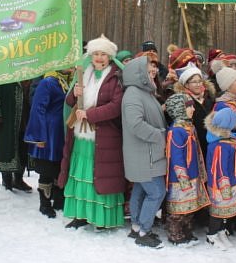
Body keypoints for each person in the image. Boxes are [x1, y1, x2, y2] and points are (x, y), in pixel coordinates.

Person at [58, 35, 125, 231]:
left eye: (103, 54)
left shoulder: (115, 76)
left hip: (104, 138)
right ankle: (81, 215)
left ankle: (102, 218)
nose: (99, 58)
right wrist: (74, 94)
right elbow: (69, 102)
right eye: (96, 53)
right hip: (81, 136)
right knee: (81, 175)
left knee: (102, 176)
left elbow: (116, 106)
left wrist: (90, 114)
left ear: (110, 56)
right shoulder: (83, 72)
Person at [122, 55, 168, 248]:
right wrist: (160, 135)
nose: (154, 72)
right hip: (145, 154)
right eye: (149, 69)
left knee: (140, 190)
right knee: (157, 192)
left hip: (146, 154)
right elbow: (135, 124)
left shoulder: (144, 92)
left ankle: (135, 227)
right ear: (138, 73)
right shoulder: (133, 94)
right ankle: (144, 231)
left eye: (154, 69)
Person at [24, 68, 73, 218]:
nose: (69, 66)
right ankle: (44, 203)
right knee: (46, 169)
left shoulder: (72, 82)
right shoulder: (48, 82)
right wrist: (38, 135)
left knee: (60, 166)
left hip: (64, 130)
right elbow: (38, 108)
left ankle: (58, 199)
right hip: (49, 132)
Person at [163, 93, 209, 246]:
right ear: (179, 110)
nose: (192, 109)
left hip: (193, 173)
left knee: (190, 206)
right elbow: (176, 156)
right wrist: (182, 177)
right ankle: (176, 234)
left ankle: (187, 232)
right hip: (181, 178)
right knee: (178, 209)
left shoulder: (189, 127)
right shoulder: (176, 131)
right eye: (188, 106)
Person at [204, 108, 236, 251]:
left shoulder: (230, 139)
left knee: (226, 212)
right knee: (218, 211)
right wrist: (224, 185)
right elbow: (219, 168)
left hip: (233, 183)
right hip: (222, 185)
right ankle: (212, 234)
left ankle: (222, 231)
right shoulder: (220, 145)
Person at [0, 81, 33, 192]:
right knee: (6, 149)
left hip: (26, 118)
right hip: (7, 118)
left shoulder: (30, 68)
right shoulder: (2, 69)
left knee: (23, 150)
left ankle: (18, 179)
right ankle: (6, 181)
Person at [175, 62, 215, 157]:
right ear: (186, 85)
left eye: (200, 81)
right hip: (193, 143)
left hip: (210, 142)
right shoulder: (184, 100)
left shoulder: (209, 98)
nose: (198, 84)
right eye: (194, 82)